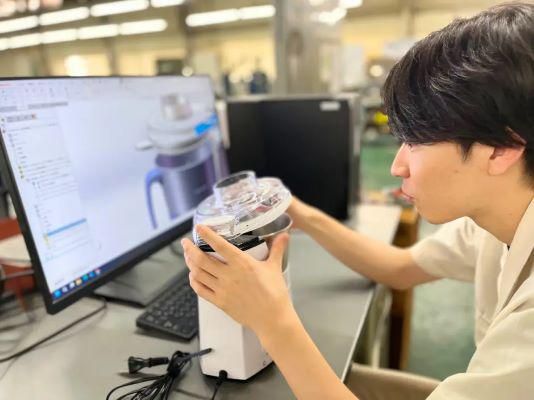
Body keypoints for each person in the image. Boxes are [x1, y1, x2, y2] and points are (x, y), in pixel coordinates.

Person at [181, 3, 534, 399]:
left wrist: (271, 319)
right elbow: (400, 268)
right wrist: (297, 211)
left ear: (500, 149)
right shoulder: (498, 217)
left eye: (417, 141)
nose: (397, 166)